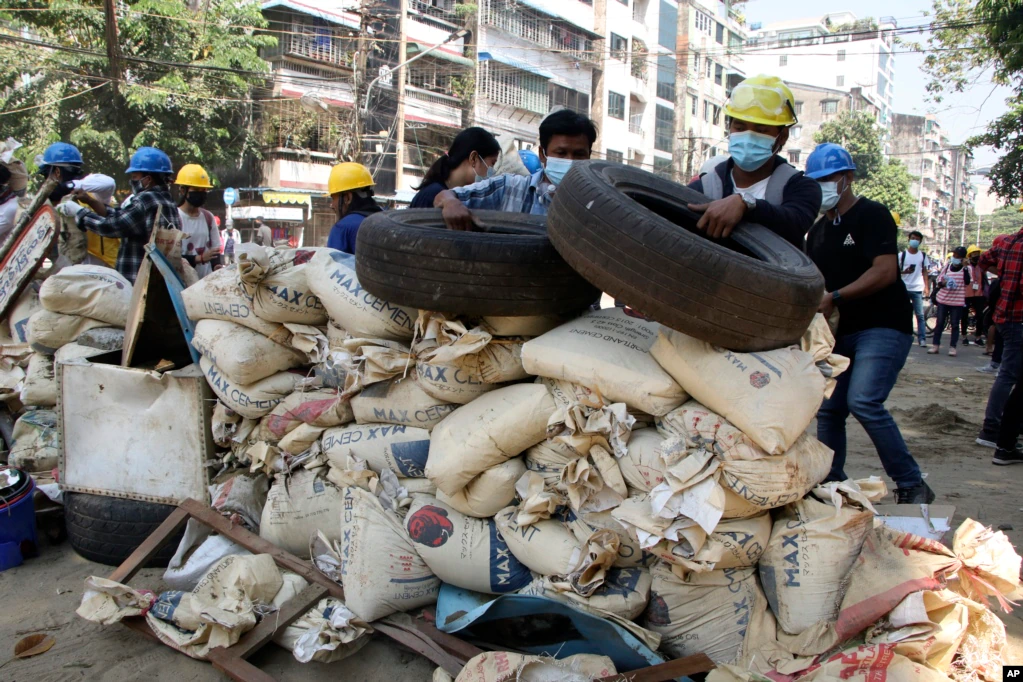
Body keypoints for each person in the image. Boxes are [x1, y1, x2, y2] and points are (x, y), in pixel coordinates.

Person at [803, 143, 933, 504]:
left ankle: (910, 482)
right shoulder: (817, 233)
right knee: (830, 408)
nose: (823, 187)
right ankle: (832, 482)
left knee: (864, 400)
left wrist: (837, 298)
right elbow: (818, 288)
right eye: (817, 181)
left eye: (829, 179)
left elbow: (886, 271)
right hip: (844, 332)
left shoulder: (873, 215)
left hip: (884, 326)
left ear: (847, 178)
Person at [687, 75, 822, 249]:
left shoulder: (801, 188)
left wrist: (746, 204)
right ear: (730, 128)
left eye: (761, 130)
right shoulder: (704, 187)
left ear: (783, 136)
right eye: (740, 127)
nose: (748, 136)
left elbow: (795, 222)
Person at [434, 109, 597, 229]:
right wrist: (450, 203)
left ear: (588, 156)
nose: (569, 161)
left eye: (579, 154)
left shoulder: (598, 203)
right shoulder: (509, 188)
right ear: (542, 154)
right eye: (561, 153)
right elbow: (444, 196)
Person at [68, 146, 182, 283]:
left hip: (138, 284)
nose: (132, 181)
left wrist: (80, 213)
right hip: (159, 283)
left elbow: (112, 226)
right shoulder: (167, 200)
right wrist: (90, 201)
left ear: (148, 179)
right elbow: (123, 217)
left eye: (134, 177)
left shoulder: (146, 200)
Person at [976, 229, 1023, 449]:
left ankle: (1004, 427)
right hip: (1017, 318)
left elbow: (981, 259)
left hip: (1006, 316)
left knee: (1010, 374)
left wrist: (1003, 273)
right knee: (1008, 375)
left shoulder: (1007, 241)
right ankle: (992, 429)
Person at [410, 127, 500, 209]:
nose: (492, 171)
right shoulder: (434, 196)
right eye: (492, 163)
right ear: (473, 158)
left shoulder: (457, 198)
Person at [175, 164, 221, 278]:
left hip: (205, 283)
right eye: (195, 190)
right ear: (183, 190)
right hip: (182, 283)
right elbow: (171, 257)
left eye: (203, 190)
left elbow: (215, 251)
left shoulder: (208, 217)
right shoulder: (174, 217)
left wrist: (217, 266)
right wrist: (199, 259)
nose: (200, 193)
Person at [325, 162, 381, 253]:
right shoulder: (387, 220)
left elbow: (331, 264)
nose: (331, 204)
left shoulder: (343, 227)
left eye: (333, 198)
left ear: (348, 197)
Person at [929, 246, 971, 357]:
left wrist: (965, 267)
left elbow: (967, 282)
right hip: (943, 299)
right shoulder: (947, 265)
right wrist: (942, 283)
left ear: (962, 257)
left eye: (957, 255)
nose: (954, 257)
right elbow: (939, 279)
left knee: (955, 325)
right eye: (954, 254)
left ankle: (953, 347)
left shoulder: (967, 268)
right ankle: (935, 345)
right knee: (940, 323)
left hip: (957, 302)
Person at [899, 230, 931, 347]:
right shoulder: (902, 255)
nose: (915, 241)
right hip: (904, 288)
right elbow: (895, 271)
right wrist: (904, 271)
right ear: (909, 239)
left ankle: (922, 338)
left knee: (920, 315)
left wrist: (926, 287)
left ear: (920, 241)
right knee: (903, 314)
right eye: (913, 238)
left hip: (917, 288)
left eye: (917, 239)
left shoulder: (922, 256)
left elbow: (925, 272)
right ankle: (903, 336)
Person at [962, 244, 987, 345]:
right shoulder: (965, 267)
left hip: (979, 294)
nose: (977, 256)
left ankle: (978, 337)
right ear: (969, 255)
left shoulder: (981, 267)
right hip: (966, 294)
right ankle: (964, 336)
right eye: (974, 254)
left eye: (978, 254)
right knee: (964, 316)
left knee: (980, 316)